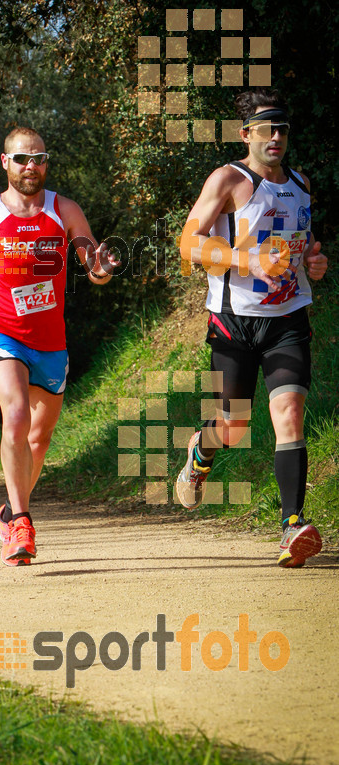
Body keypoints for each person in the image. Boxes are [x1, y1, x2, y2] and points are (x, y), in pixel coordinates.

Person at [0, 126, 118, 566]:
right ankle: (21, 522)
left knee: (39, 436)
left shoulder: (65, 210)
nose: (30, 166)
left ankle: (6, 513)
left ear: (46, 163)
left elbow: (91, 266)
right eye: (21, 159)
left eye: (38, 158)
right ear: (5, 162)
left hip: (50, 342)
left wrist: (103, 269)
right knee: (14, 414)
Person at [176, 88, 328, 567]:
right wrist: (247, 259)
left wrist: (314, 261)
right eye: (267, 128)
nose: (277, 136)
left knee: (289, 413)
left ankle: (291, 527)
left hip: (287, 320)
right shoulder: (229, 180)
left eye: (282, 127)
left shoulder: (300, 184)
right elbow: (188, 244)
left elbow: (302, 247)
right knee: (233, 426)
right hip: (234, 323)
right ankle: (200, 455)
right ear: (246, 135)